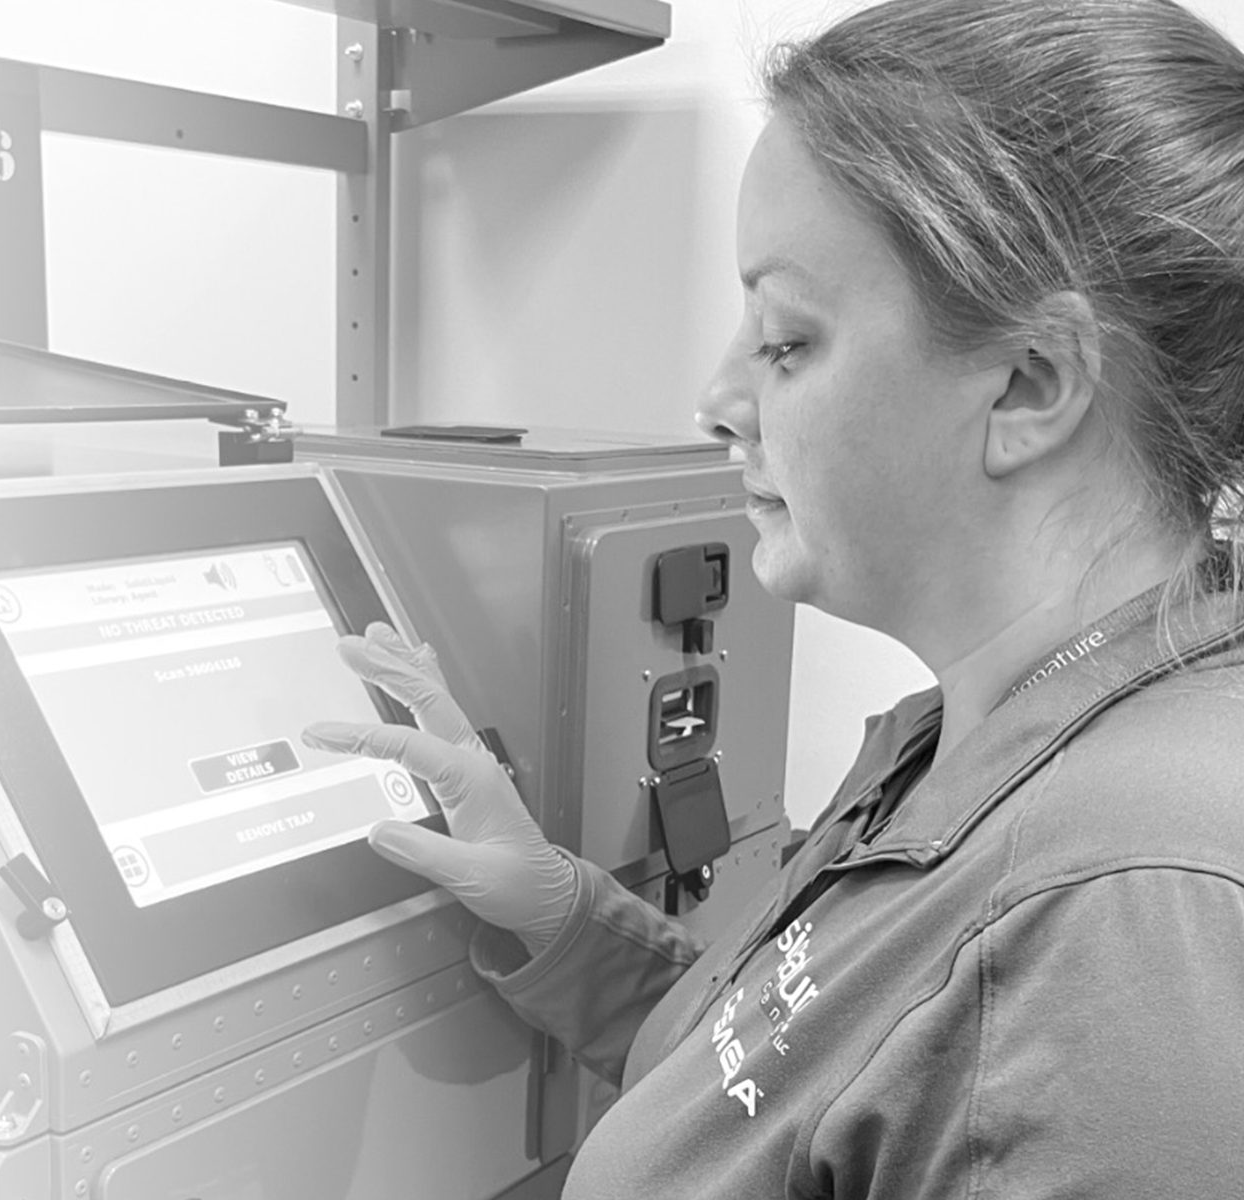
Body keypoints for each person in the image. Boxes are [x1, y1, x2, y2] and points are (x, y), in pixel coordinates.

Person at [303, 0, 1244, 1193]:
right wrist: (559, 914)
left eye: (786, 341)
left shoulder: (1124, 921)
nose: (715, 396)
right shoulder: (975, 739)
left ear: (1027, 382)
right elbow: (777, 1090)